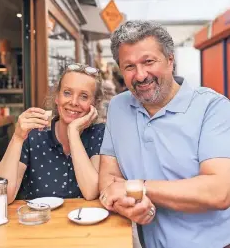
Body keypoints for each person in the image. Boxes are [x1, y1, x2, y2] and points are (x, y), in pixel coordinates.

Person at [98, 20, 230, 248]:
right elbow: (109, 179)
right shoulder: (119, 107)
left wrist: (140, 187)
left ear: (170, 60)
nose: (140, 75)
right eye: (129, 66)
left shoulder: (214, 107)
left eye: (148, 61)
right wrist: (130, 205)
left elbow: (219, 191)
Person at [0, 63, 105, 203]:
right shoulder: (35, 134)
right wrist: (18, 137)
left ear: (95, 104)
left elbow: (91, 191)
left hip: (86, 224)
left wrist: (73, 133)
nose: (73, 102)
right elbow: (3, 196)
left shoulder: (98, 134)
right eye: (67, 93)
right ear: (57, 97)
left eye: (84, 96)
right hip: (39, 222)